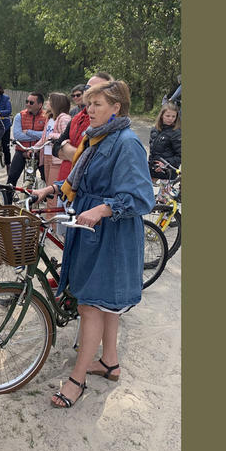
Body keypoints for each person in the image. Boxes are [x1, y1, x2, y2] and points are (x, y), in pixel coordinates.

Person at [30, 80, 154, 409]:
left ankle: (77, 379)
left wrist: (103, 208)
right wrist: (53, 190)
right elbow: (80, 179)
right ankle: (110, 362)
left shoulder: (127, 143)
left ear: (117, 107)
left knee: (90, 305)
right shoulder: (98, 138)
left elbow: (142, 197)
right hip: (93, 231)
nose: (90, 110)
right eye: (89, 104)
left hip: (112, 235)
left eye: (98, 104)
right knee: (105, 304)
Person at [52, 72, 114, 182]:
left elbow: (94, 162)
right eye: (87, 87)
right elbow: (55, 148)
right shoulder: (76, 117)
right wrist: (78, 155)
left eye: (98, 89)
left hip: (85, 187)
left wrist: (65, 147)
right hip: (63, 185)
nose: (90, 92)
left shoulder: (108, 122)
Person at [6, 92, 48, 186]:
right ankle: (7, 200)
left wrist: (29, 132)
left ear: (40, 104)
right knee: (11, 178)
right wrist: (39, 136)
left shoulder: (46, 117)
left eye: (31, 102)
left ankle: (45, 198)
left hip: (39, 152)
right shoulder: (19, 116)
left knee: (46, 178)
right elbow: (18, 136)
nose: (28, 104)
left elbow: (46, 135)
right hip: (22, 150)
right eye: (27, 101)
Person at [41, 92, 72, 203]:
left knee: (52, 195)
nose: (47, 102)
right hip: (49, 156)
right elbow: (44, 137)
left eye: (50, 100)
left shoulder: (64, 118)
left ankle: (52, 218)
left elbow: (66, 137)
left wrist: (52, 136)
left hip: (58, 159)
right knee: (49, 190)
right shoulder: (52, 117)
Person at [148, 102, 181, 180]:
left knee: (163, 192)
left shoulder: (176, 133)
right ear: (162, 116)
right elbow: (153, 152)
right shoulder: (154, 130)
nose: (170, 119)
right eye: (168, 116)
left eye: (173, 116)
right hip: (153, 169)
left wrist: (165, 164)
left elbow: (180, 156)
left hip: (168, 172)